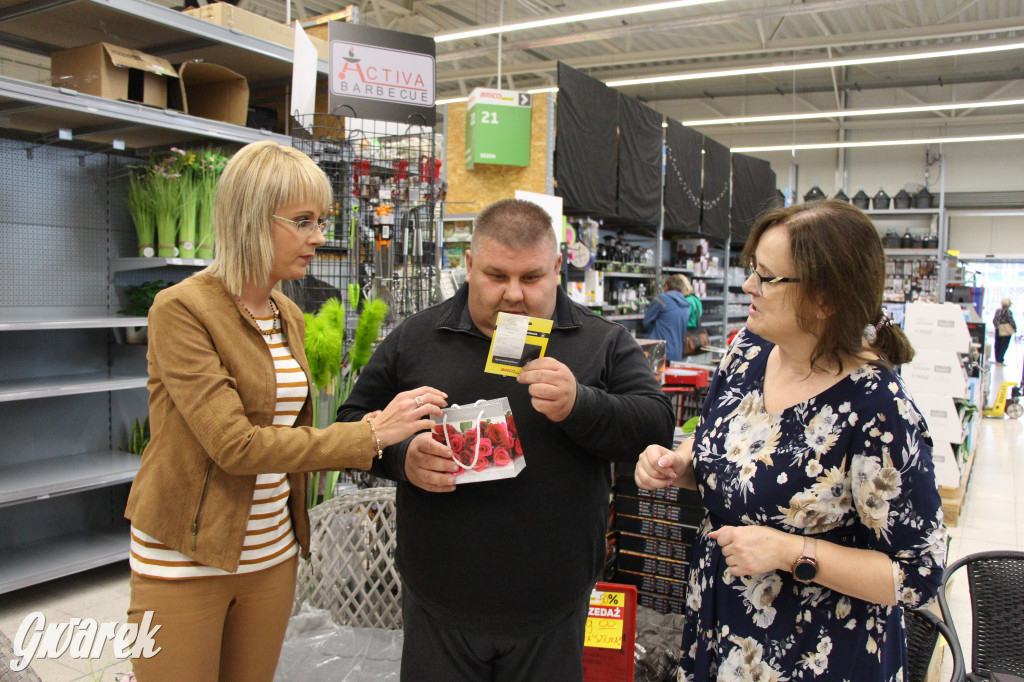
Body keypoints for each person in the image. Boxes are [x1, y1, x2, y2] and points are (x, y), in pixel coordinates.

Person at [123, 140, 447, 682]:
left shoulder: (288, 314)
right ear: (251, 219)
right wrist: (367, 435)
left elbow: (286, 430)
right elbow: (234, 445)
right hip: (186, 558)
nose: (319, 237)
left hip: (271, 555)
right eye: (303, 221)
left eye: (320, 220)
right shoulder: (182, 310)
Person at [337, 198, 676, 682]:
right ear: (469, 265)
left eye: (532, 278)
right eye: (496, 276)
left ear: (558, 269)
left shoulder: (602, 341)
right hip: (439, 599)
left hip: (554, 604)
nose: (513, 295)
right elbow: (351, 420)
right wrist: (399, 455)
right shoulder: (416, 338)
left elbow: (655, 426)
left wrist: (581, 403)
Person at [635, 199, 946, 681]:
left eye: (768, 277)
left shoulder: (876, 410)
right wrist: (680, 465)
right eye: (752, 270)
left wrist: (790, 552)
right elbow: (726, 450)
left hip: (815, 652)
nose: (748, 286)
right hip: (717, 626)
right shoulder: (747, 352)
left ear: (826, 299)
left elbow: (917, 575)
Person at [643, 274, 692, 362]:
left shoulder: (661, 299)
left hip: (658, 352)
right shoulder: (686, 305)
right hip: (677, 353)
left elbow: (646, 322)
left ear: (666, 287)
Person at [993, 298, 1016, 364]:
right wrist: (1014, 328)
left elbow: (994, 320)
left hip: (998, 328)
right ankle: (1000, 359)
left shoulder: (998, 310)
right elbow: (1011, 321)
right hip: (1006, 329)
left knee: (997, 343)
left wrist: (996, 326)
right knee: (1004, 344)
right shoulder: (1008, 311)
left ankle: (997, 358)